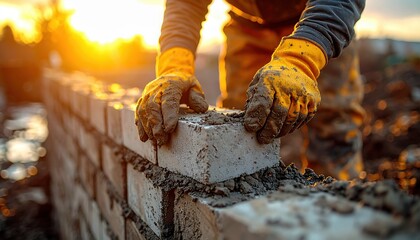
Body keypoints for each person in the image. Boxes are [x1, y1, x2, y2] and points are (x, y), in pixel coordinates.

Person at [135, 0, 366, 180]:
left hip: (319, 25)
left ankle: (340, 214)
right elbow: (186, 5)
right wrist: (175, 67)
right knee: (246, 131)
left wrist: (300, 61)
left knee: (335, 129)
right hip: (248, 30)